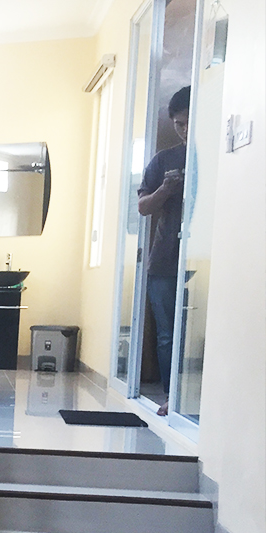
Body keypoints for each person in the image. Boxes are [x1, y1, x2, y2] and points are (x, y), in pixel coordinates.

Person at [136, 86, 190, 416]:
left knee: (195, 332)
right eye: (179, 124)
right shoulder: (164, 160)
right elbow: (143, 207)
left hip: (200, 258)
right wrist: (166, 189)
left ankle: (194, 397)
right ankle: (171, 395)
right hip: (164, 258)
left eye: (189, 122)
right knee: (167, 334)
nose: (184, 130)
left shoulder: (214, 156)